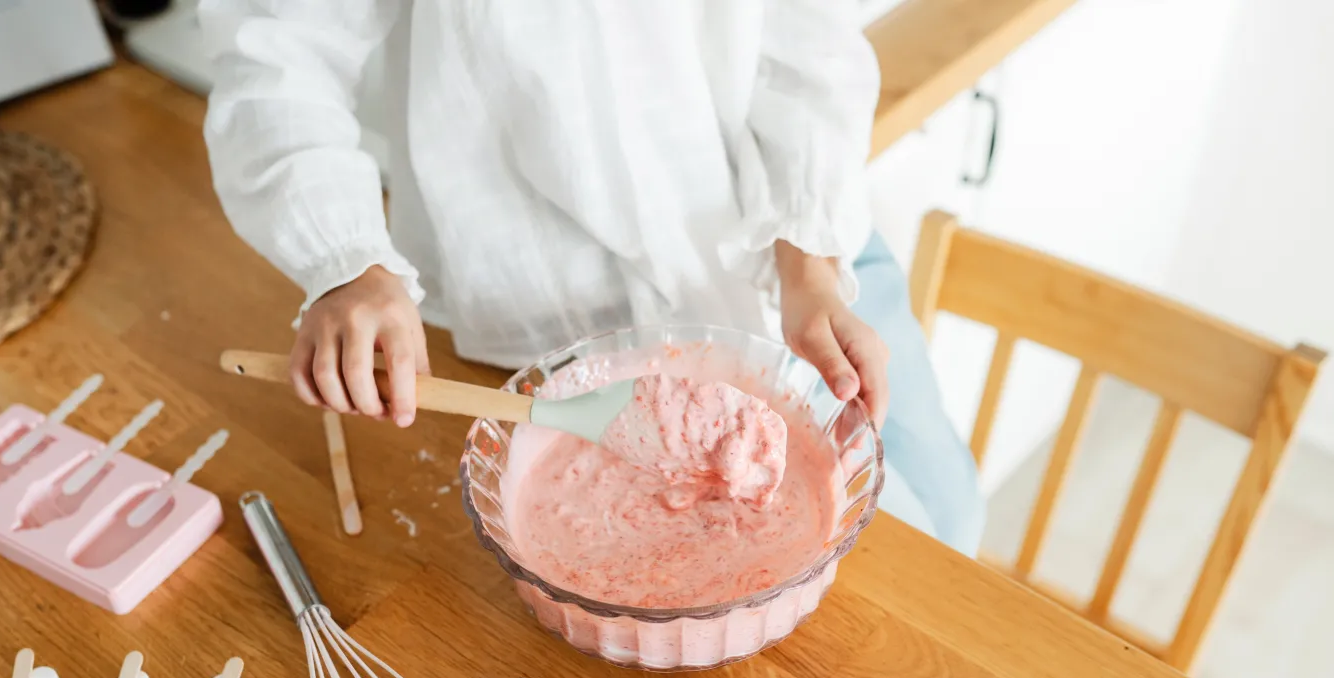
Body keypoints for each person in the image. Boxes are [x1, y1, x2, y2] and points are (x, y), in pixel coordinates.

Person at [200, 0, 984, 554]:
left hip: (790, 243)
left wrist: (808, 261)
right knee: (903, 578)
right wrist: (347, 264)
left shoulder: (808, 247)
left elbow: (803, 33)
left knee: (953, 517)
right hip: (552, 294)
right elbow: (276, 50)